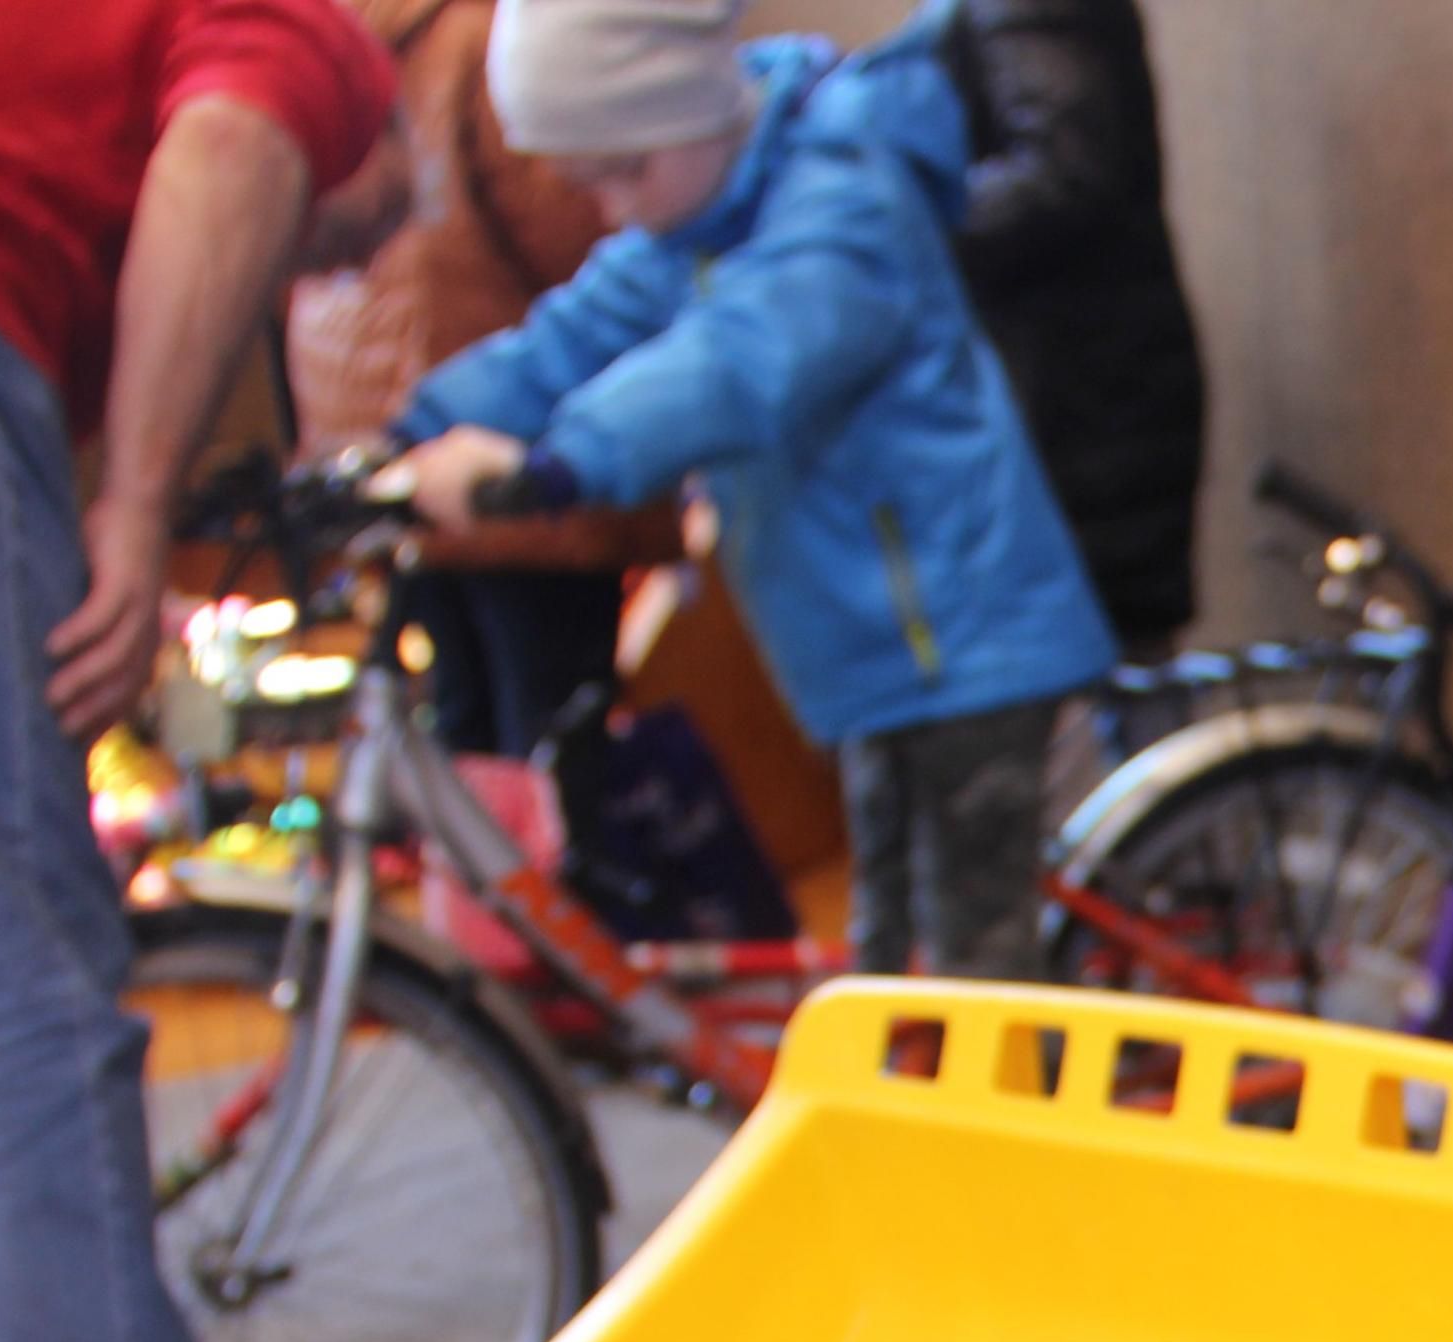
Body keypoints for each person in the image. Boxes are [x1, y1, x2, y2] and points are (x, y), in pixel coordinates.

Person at [389, 0, 1115, 982]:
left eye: (625, 170)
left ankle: (1000, 1085)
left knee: (973, 955)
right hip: (879, 646)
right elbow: (568, 336)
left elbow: (743, 360)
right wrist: (405, 432)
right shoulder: (699, 215)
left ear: (692, 109)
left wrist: (556, 465)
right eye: (587, 183)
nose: (613, 209)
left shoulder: (843, 198)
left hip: (962, 637)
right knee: (891, 932)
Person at [1, 0, 404, 1342]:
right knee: (25, 984)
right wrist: (132, 508)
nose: (336, 253)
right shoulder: (287, 33)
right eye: (349, 225)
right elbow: (238, 143)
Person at [288, 0, 683, 826]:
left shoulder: (325, 40)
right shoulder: (489, 41)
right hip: (503, 452)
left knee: (466, 734)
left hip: (386, 427)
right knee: (552, 754)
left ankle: (478, 908)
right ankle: (546, 905)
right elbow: (582, 239)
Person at [932, 0, 1206, 659]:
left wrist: (900, 224)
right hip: (1077, 387)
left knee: (1097, 674)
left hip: (1079, 398)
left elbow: (1065, 173)